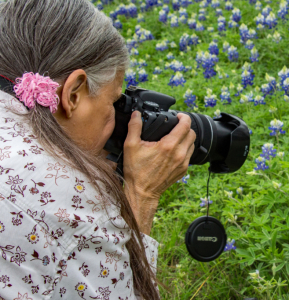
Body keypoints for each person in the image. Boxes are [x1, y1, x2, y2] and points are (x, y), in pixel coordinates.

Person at [0, 0, 196, 299]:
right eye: (112, 102)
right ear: (74, 94)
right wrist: (140, 195)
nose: (114, 119)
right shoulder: (69, 198)